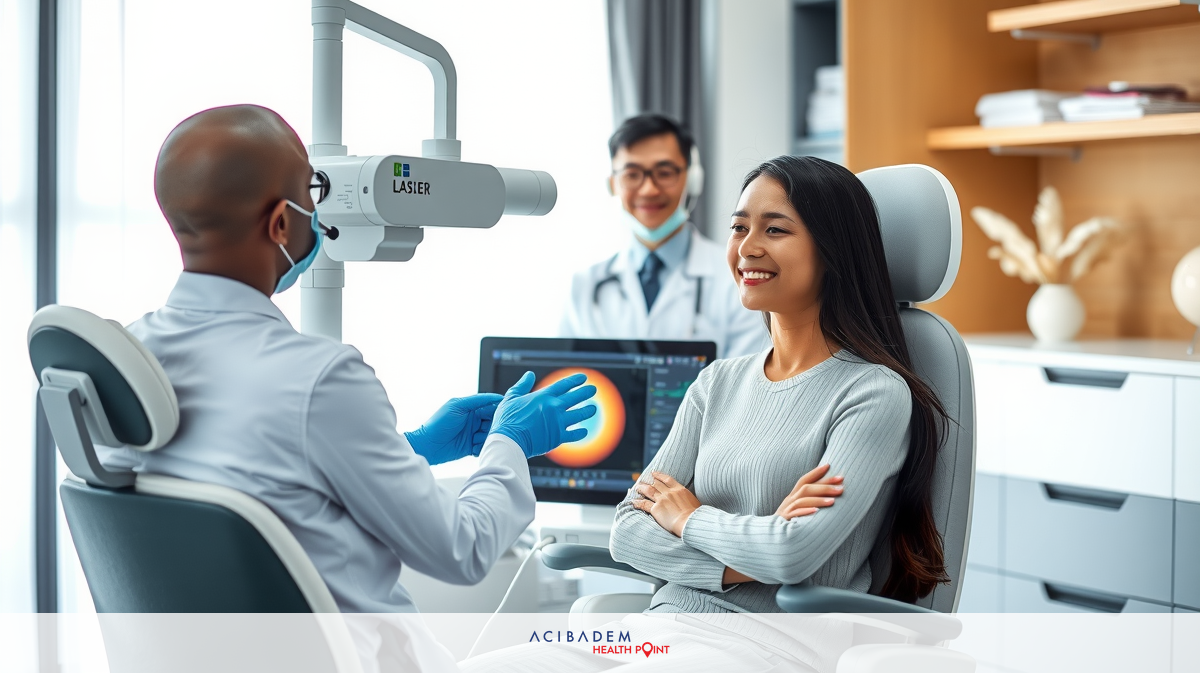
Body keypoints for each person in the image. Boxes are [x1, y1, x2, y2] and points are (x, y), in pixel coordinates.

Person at [100, 105, 599, 618]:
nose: (319, 213)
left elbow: (263, 480)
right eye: (312, 192)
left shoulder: (127, 359)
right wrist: (510, 443)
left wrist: (413, 448)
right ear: (279, 224)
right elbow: (462, 550)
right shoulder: (320, 378)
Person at [466, 155, 950, 672]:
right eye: (739, 227)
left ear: (832, 251)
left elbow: (791, 557)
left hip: (770, 648)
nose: (747, 248)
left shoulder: (873, 393)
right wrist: (749, 554)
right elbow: (627, 529)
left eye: (776, 229)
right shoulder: (717, 382)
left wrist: (687, 517)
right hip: (656, 631)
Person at [560, 114, 768, 358]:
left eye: (665, 172)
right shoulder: (585, 285)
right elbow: (564, 379)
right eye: (632, 174)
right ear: (613, 184)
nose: (649, 189)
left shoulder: (740, 280)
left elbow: (745, 384)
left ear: (692, 180)